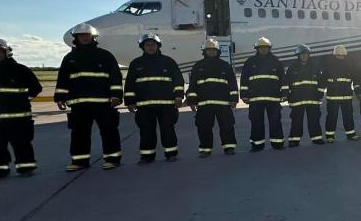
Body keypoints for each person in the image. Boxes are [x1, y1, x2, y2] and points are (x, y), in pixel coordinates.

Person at [55, 23, 123, 171]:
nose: (84, 38)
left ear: (93, 37)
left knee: (109, 131)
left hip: (103, 103)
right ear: (76, 38)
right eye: (81, 35)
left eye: (87, 35)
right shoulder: (70, 58)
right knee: (79, 134)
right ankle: (79, 161)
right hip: (79, 104)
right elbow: (63, 80)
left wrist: (116, 95)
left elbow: (115, 77)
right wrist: (60, 97)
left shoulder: (105, 56)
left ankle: (112, 159)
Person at [0, 37, 42, 178]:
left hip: (18, 117)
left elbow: (36, 88)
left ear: (6, 52)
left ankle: (26, 168)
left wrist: (19, 99)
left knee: (22, 143)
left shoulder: (20, 70)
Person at [124, 33, 184, 163]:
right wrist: (130, 102)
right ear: (143, 46)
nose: (150, 47)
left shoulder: (168, 61)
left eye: (153, 44)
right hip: (144, 106)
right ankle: (147, 156)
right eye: (147, 45)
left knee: (168, 130)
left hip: (166, 105)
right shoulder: (136, 63)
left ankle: (171, 154)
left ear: (158, 46)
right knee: (146, 132)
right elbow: (129, 84)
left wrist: (179, 96)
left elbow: (178, 80)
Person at [186, 38, 238, 156]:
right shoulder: (198, 66)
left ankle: (229, 147)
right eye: (209, 50)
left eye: (213, 50)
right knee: (203, 127)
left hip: (223, 103)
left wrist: (234, 99)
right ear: (204, 51)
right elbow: (193, 85)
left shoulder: (225, 66)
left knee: (227, 126)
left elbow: (232, 84)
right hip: (204, 104)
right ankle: (205, 149)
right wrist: (191, 100)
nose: (211, 52)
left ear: (218, 51)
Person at [240, 37, 286, 151]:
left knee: (275, 122)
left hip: (273, 98)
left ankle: (277, 144)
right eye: (261, 48)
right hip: (255, 98)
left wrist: (285, 93)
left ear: (269, 48)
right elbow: (244, 79)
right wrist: (244, 95)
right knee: (256, 122)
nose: (263, 49)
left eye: (265, 47)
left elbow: (283, 79)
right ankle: (257, 145)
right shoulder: (250, 62)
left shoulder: (276, 61)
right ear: (257, 49)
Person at [284, 44, 325, 146]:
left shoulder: (314, 67)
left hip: (313, 99)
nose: (304, 56)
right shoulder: (292, 68)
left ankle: (317, 138)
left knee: (314, 120)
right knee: (296, 121)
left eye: (306, 54)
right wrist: (289, 96)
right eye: (302, 54)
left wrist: (320, 93)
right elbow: (286, 83)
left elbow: (321, 82)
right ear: (298, 55)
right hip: (297, 100)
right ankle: (294, 140)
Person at [322, 45, 356, 142]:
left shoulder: (349, 66)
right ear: (335, 55)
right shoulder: (329, 66)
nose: (341, 57)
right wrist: (319, 93)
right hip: (334, 97)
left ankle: (351, 134)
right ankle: (330, 136)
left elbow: (354, 78)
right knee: (332, 117)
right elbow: (323, 80)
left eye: (342, 55)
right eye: (339, 55)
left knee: (348, 116)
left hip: (346, 96)